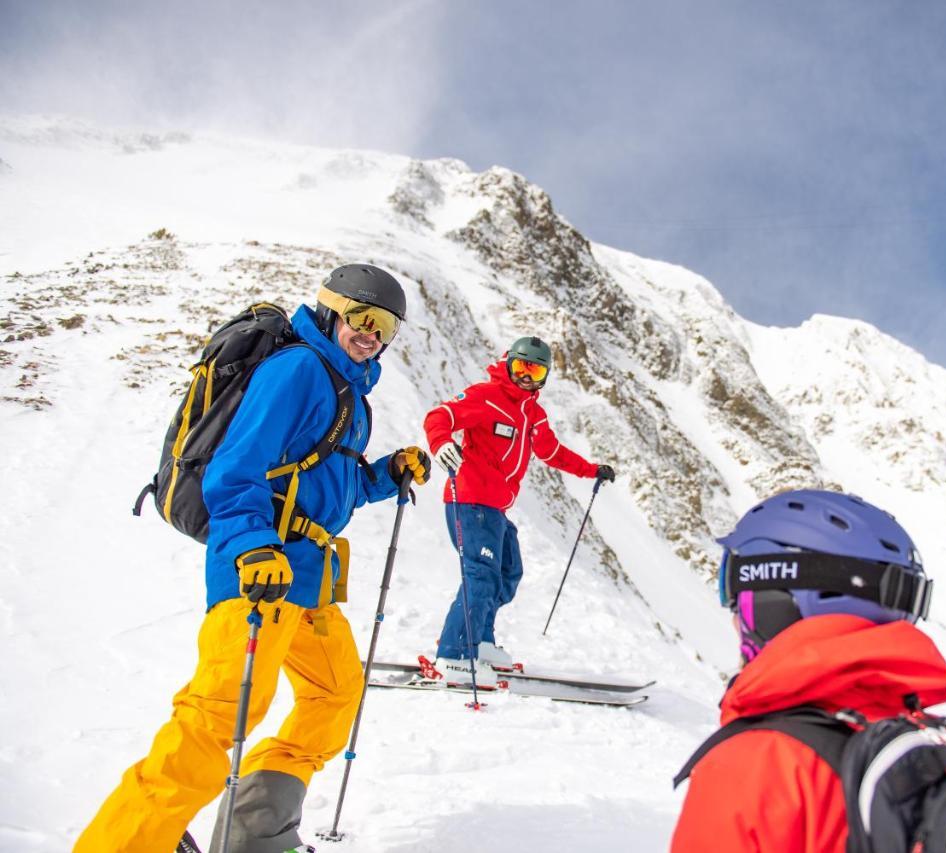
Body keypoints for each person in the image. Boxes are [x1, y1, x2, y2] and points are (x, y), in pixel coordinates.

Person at [76, 264, 430, 853]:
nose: (371, 333)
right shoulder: (297, 370)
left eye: (385, 325)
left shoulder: (348, 390)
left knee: (336, 694)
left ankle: (255, 833)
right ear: (329, 311)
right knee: (216, 718)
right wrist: (251, 547)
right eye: (361, 317)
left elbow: (327, 486)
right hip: (260, 574)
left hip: (309, 581)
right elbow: (234, 469)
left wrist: (384, 475)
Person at [670, 489, 946, 852]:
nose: (733, 618)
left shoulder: (758, 767)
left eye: (733, 594)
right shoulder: (931, 747)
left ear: (775, 605)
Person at [423, 335, 615, 686]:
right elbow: (441, 416)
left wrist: (591, 470)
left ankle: (479, 641)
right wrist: (441, 443)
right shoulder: (486, 396)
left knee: (507, 574)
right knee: (480, 575)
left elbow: (551, 452)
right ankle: (453, 654)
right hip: (469, 500)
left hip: (496, 508)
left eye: (536, 369)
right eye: (522, 366)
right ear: (508, 363)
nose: (527, 376)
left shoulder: (532, 414)